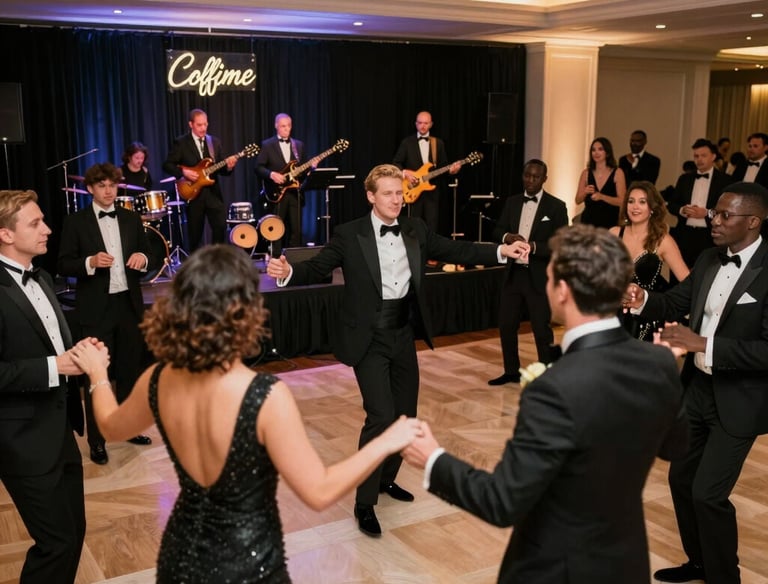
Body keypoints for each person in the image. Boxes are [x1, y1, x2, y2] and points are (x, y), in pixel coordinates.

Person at [69, 244, 423, 583]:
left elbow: (110, 427)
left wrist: (98, 374)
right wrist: (387, 439)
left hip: (181, 553)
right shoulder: (264, 395)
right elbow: (318, 491)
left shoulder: (158, 379)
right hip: (247, 560)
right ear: (246, 312)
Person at [402, 223, 689, 583]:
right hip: (624, 564)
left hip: (558, 569)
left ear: (563, 292)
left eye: (550, 278)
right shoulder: (659, 363)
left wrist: (433, 459)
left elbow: (503, 501)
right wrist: (667, 371)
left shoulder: (554, 388)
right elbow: (678, 445)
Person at [266, 164, 529, 537]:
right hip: (368, 339)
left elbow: (459, 248)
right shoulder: (349, 233)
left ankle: (387, 479)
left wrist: (502, 250)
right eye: (388, 193)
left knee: (405, 416)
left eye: (400, 192)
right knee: (380, 415)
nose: (397, 199)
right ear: (371, 196)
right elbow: (317, 267)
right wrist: (287, 271)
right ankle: (364, 501)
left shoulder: (415, 229)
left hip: (402, 334)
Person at [625, 182, 768, 584]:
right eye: (714, 213)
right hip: (698, 389)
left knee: (708, 493)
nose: (713, 220)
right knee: (681, 478)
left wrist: (702, 342)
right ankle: (700, 562)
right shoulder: (707, 258)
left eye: (725, 215)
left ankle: (725, 576)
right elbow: (674, 302)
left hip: (739, 398)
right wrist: (640, 300)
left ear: (753, 222)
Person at [0, 189, 86, 584]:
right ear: (5, 234)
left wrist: (77, 352)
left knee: (73, 535)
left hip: (60, 431)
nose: (47, 229)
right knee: (56, 544)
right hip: (22, 440)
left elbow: (50, 344)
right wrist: (56, 366)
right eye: (35, 223)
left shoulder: (44, 277)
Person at [57, 162, 155, 465]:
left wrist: (143, 257)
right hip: (96, 309)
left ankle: (128, 427)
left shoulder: (130, 218)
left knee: (129, 372)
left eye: (113, 185)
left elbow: (149, 253)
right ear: (90, 189)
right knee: (94, 376)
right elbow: (63, 264)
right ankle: (97, 441)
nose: (109, 191)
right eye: (102, 186)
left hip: (128, 305)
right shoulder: (75, 222)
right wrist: (89, 262)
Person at [487, 159, 568, 386]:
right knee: (507, 324)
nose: (530, 180)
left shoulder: (556, 206)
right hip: (513, 274)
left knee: (541, 328)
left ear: (544, 179)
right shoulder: (512, 202)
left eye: (535, 177)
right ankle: (511, 371)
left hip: (539, 275)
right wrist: (508, 238)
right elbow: (497, 230)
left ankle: (548, 376)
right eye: (527, 176)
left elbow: (561, 242)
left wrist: (533, 247)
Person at [609, 181, 689, 340]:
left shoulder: (663, 241)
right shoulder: (613, 234)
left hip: (647, 319)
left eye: (642, 202)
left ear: (652, 208)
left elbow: (687, 281)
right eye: (631, 201)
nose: (635, 207)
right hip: (613, 314)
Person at [162, 108, 239, 252]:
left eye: (205, 124)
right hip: (193, 193)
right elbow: (167, 165)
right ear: (191, 124)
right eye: (199, 125)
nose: (203, 128)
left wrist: (229, 166)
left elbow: (221, 169)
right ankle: (195, 267)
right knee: (195, 235)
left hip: (213, 193)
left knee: (220, 226)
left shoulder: (214, 142)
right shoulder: (181, 142)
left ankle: (216, 260)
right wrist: (184, 172)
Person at [667, 138, 734, 279]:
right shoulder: (684, 179)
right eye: (696, 156)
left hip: (710, 236)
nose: (699, 159)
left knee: (707, 276)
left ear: (713, 156)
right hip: (684, 235)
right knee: (678, 276)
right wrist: (682, 210)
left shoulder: (725, 180)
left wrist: (707, 212)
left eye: (703, 155)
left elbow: (729, 210)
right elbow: (672, 204)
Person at [392, 110, 459, 235]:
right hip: (412, 190)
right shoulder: (407, 142)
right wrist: (405, 173)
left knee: (431, 226)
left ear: (431, 124)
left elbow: (444, 167)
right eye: (420, 123)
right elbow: (396, 163)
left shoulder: (438, 143)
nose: (423, 126)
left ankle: (429, 253)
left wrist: (452, 171)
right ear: (415, 124)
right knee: (412, 225)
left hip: (432, 192)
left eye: (426, 123)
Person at [255, 113, 309, 253]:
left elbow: (302, 169)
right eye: (283, 126)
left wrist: (311, 167)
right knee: (277, 227)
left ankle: (294, 259)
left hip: (294, 192)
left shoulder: (299, 145)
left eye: (289, 126)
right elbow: (258, 167)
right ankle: (276, 258)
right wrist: (272, 174)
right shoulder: (267, 145)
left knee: (296, 229)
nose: (287, 129)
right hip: (277, 192)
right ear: (276, 126)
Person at [575, 136, 627, 228]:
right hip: (588, 223)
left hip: (610, 222)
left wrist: (602, 197)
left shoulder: (618, 172)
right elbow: (577, 200)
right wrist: (585, 192)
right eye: (593, 150)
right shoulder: (586, 173)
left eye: (600, 149)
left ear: (607, 153)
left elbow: (622, 201)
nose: (596, 153)